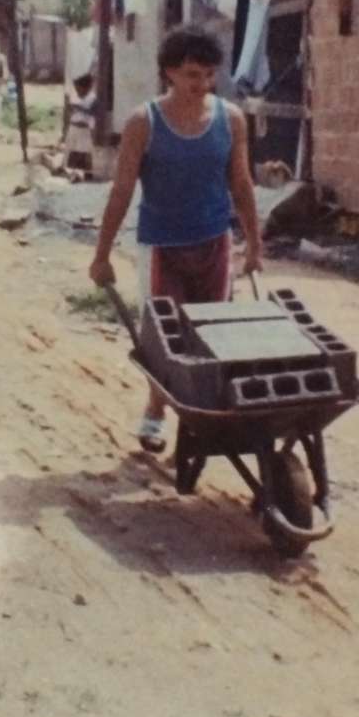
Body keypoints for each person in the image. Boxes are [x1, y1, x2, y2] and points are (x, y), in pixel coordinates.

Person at [89, 25, 263, 452]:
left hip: (214, 243)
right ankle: (155, 410)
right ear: (169, 72)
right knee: (164, 337)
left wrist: (255, 245)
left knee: (211, 336)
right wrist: (102, 254)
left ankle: (201, 416)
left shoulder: (231, 119)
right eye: (190, 75)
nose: (200, 85)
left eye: (208, 75)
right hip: (162, 245)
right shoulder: (143, 122)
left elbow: (241, 184)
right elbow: (123, 191)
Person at [64, 74, 97, 181]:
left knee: (84, 151)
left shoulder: (92, 98)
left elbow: (92, 111)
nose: (77, 91)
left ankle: (86, 174)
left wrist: (78, 107)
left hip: (84, 129)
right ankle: (74, 173)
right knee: (73, 151)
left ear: (86, 88)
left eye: (79, 89)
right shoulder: (76, 97)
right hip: (74, 127)